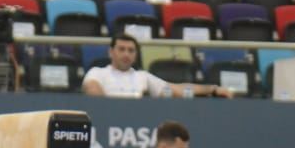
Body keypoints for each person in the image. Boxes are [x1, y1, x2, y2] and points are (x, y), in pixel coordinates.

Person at [82, 34, 231, 98]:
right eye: (121, 49)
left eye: (131, 50)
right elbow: (92, 90)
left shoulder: (143, 77)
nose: (126, 54)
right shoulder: (97, 73)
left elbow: (176, 90)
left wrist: (212, 89)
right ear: (111, 52)